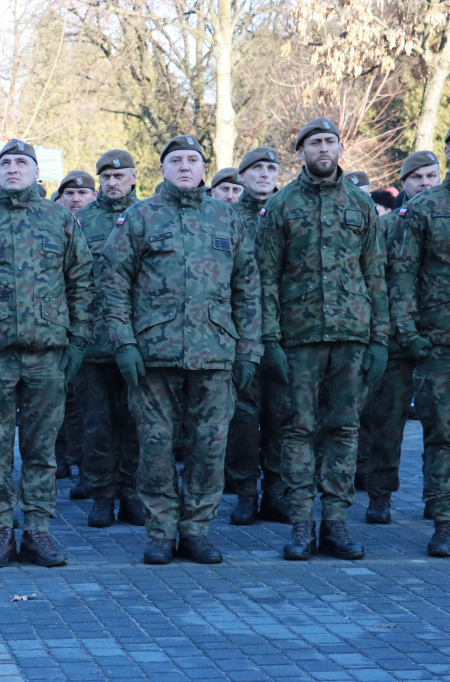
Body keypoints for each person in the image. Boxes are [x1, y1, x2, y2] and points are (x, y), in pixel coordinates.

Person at [101, 135, 261, 565]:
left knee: (210, 446)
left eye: (193, 160)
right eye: (176, 161)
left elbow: (247, 289)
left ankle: (196, 530)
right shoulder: (140, 217)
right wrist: (124, 343)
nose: (185, 167)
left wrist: (249, 350)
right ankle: (160, 531)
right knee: (155, 445)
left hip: (215, 353)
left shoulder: (227, 219)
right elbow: (114, 284)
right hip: (155, 354)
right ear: (163, 169)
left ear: (204, 168)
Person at [0, 139, 94, 568]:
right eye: (5, 163)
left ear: (35, 172)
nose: (12, 169)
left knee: (42, 448)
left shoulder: (59, 218)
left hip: (48, 355)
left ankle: (38, 532)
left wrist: (78, 342)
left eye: (21, 163)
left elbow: (81, 282)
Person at [257, 117, 389, 562]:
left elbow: (375, 275)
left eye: (330, 141)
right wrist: (270, 340)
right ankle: (300, 524)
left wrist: (380, 338)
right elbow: (266, 278)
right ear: (301, 152)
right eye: (315, 143)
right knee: (297, 430)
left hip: (352, 335)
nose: (323, 148)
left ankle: (336, 524)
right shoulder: (281, 206)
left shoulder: (361, 204)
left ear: (339, 148)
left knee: (345, 429)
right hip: (299, 337)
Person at [364, 152, 437, 530]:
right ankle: (380, 495)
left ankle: (436, 497)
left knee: (439, 423)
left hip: (437, 336)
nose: (425, 183)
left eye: (431, 176)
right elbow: (376, 278)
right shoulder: (389, 225)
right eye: (417, 177)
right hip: (395, 338)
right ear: (403, 182)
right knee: (387, 421)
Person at [73, 149, 144, 529]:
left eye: (120, 176)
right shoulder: (79, 222)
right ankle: (102, 496)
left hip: (139, 340)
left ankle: (131, 493)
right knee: (98, 424)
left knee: (136, 422)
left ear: (134, 177)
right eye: (106, 177)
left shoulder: (147, 216)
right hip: (95, 342)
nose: (113, 182)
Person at [389, 134, 450, 557]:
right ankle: (444, 522)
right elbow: (403, 274)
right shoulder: (426, 208)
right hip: (439, 342)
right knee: (442, 435)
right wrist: (409, 332)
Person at [225, 146, 287, 526]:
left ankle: (277, 491)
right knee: (243, 419)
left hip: (284, 332)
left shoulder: (288, 211)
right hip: (238, 333)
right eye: (256, 169)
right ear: (242, 176)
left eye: (270, 168)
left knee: (282, 415)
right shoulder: (225, 217)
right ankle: (246, 493)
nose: (264, 175)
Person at [53, 169, 98, 486]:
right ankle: (60, 459)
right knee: (58, 401)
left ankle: (85, 466)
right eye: (70, 194)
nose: (76, 198)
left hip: (95, 330)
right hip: (56, 329)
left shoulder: (105, 224)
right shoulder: (52, 225)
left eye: (82, 193)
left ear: (93, 196)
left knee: (88, 406)